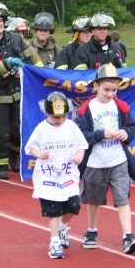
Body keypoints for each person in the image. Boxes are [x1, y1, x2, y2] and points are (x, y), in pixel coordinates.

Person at [74, 63, 135, 254]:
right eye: (106, 89)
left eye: (114, 90)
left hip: (118, 160)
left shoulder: (121, 107)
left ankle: (128, 236)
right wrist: (99, 134)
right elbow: (80, 135)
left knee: (123, 198)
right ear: (96, 86)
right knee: (94, 200)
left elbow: (133, 127)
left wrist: (125, 133)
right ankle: (91, 231)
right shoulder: (86, 110)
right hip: (95, 162)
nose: (110, 94)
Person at [25, 92, 87, 259]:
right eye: (55, 117)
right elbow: (30, 148)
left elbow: (82, 144)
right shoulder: (41, 128)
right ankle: (54, 242)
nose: (59, 120)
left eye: (63, 116)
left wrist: (79, 156)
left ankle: (61, 227)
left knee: (74, 206)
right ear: (47, 114)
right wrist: (39, 154)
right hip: (48, 176)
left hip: (68, 174)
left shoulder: (72, 126)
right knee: (53, 209)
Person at [0, 1, 32, 179]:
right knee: (0, 131)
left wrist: (21, 71)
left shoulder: (16, 39)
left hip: (17, 92)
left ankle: (14, 156)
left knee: (18, 129)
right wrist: (0, 72)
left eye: (1, 20)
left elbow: (29, 61)